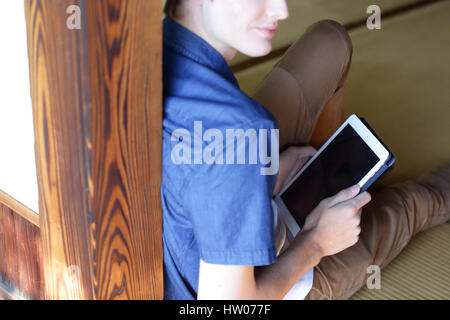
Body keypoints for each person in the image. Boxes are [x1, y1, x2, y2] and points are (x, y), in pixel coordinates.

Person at [161, 0, 450, 300]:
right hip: (250, 285)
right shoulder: (240, 132)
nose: (282, 11)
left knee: (329, 42)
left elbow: (191, 169)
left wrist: (262, 175)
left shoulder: (145, 52)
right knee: (415, 203)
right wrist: (317, 241)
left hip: (205, 218)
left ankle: (317, 182)